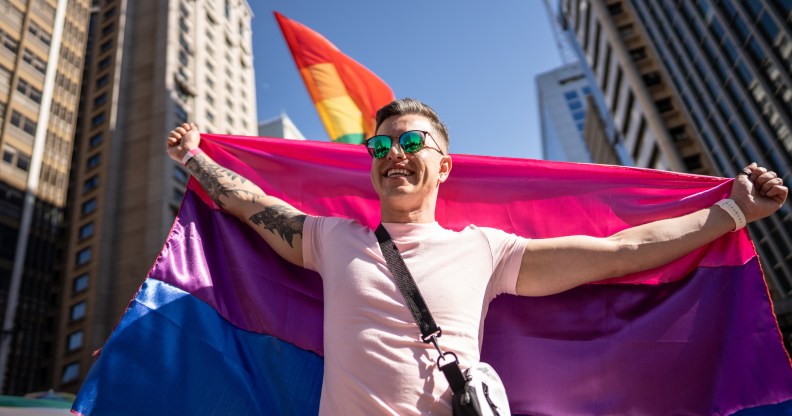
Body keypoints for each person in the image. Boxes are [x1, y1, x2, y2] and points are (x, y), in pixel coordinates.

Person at [166, 98, 787, 415]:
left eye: (413, 141)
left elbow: (620, 250)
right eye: (380, 144)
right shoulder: (332, 239)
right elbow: (249, 206)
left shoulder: (484, 250)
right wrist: (196, 157)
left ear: (443, 165)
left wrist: (733, 212)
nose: (394, 152)